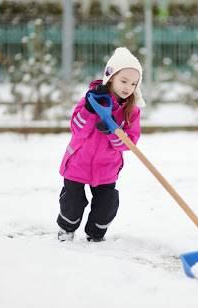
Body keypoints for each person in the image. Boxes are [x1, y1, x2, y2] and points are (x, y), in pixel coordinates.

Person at [56, 47, 145, 242]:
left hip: (107, 167)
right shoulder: (91, 100)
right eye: (123, 81)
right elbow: (76, 127)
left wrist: (113, 132)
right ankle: (66, 230)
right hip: (78, 162)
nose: (128, 87)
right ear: (110, 76)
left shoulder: (132, 111)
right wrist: (89, 112)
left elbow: (130, 143)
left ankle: (96, 236)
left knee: (106, 205)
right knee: (72, 203)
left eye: (133, 83)